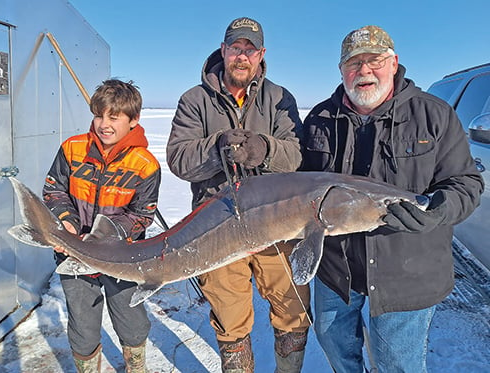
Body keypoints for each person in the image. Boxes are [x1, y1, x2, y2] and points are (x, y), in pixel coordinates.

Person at [301, 25, 484, 372]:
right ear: (342, 71)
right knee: (334, 344)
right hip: (336, 271)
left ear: (394, 62)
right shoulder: (320, 119)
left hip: (405, 272)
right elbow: (296, 183)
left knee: (396, 362)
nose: (364, 71)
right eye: (354, 64)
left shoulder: (434, 115)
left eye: (374, 60)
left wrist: (436, 210)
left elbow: (466, 183)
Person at [166, 16, 311, 373]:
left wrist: (266, 149)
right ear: (223, 51)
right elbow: (178, 159)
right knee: (230, 317)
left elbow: (298, 154)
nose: (242, 57)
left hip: (277, 224)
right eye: (235, 48)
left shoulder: (280, 99)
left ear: (261, 54)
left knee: (293, 309)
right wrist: (217, 147)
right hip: (216, 225)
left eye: (250, 49)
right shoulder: (195, 100)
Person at [43, 79, 161, 373]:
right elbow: (53, 189)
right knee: (82, 324)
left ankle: (136, 367)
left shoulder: (145, 164)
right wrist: (66, 221)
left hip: (122, 257)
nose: (103, 124)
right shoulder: (72, 149)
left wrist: (104, 235)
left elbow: (142, 215)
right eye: (99, 115)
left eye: (114, 116)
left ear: (133, 120)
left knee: (131, 319)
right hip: (73, 252)